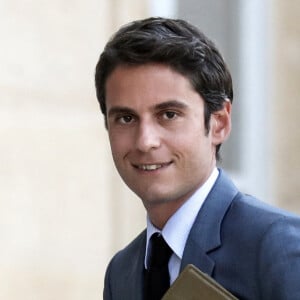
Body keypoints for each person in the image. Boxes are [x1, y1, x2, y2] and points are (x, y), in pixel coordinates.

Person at [95, 17, 300, 300]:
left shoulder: (280, 246)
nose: (145, 141)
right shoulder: (121, 272)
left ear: (219, 123)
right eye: (126, 118)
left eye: (169, 115)